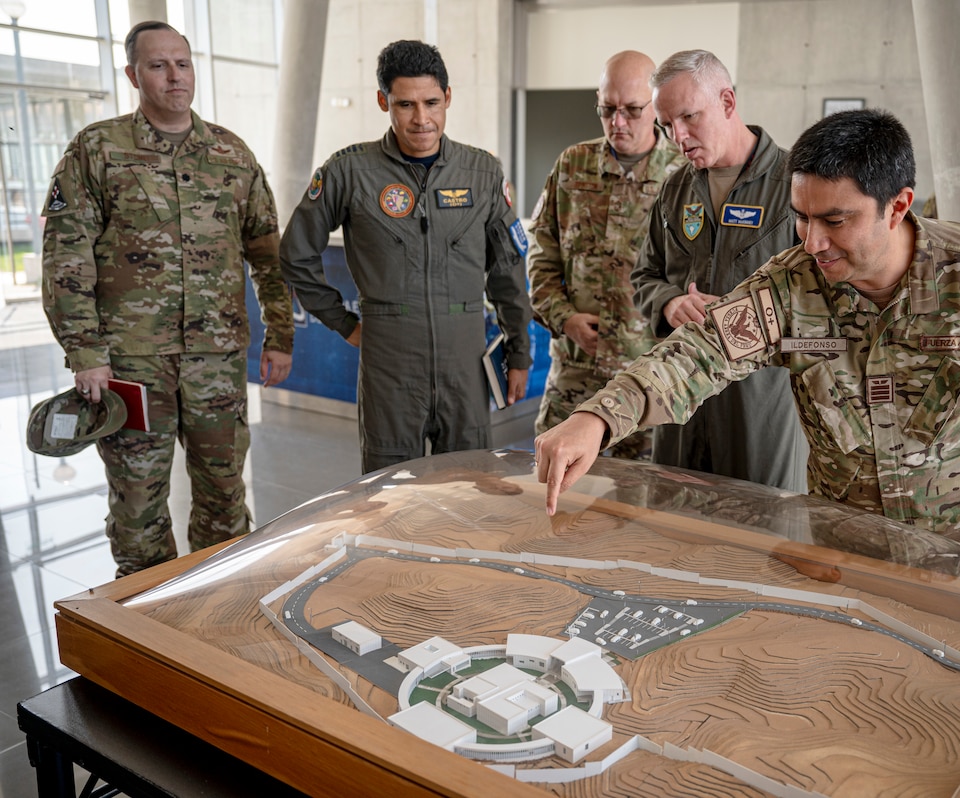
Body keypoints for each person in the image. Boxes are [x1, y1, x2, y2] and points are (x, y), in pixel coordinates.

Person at [536, 109, 960, 579]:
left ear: (897, 206)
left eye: (834, 220)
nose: (812, 241)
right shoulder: (792, 282)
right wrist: (601, 417)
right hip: (847, 551)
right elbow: (701, 352)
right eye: (800, 218)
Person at [40, 21, 294, 576]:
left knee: (224, 494)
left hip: (216, 360)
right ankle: (141, 622)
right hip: (132, 363)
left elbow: (268, 254)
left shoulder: (232, 153)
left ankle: (219, 597)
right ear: (133, 74)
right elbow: (66, 253)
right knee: (137, 503)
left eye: (182, 63)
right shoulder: (98, 149)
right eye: (158, 65)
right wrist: (85, 350)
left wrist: (280, 335)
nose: (174, 75)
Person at [280, 40, 533, 474]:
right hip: (390, 370)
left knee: (469, 487)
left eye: (432, 102)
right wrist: (344, 324)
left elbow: (508, 270)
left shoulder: (482, 172)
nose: (421, 119)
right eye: (405, 104)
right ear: (384, 102)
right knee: (390, 494)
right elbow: (295, 255)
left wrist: (519, 354)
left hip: (465, 369)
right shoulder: (349, 172)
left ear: (448, 97)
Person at [629, 49, 804, 490]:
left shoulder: (794, 186)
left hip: (759, 406)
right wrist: (669, 304)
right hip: (679, 397)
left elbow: (827, 299)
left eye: (689, 117)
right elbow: (644, 277)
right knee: (675, 526)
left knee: (761, 535)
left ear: (727, 103)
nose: (678, 136)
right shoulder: (675, 189)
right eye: (666, 125)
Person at [527, 51, 687, 460]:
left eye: (632, 110)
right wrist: (564, 318)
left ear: (655, 105)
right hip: (577, 374)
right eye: (607, 109)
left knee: (647, 508)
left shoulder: (685, 176)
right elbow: (541, 256)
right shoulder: (572, 165)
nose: (618, 122)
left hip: (651, 378)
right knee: (558, 495)